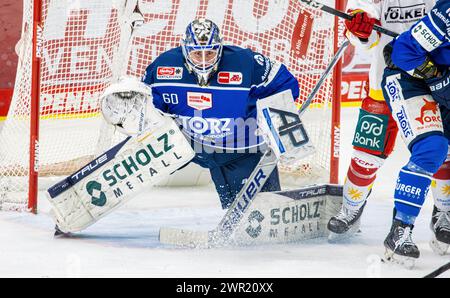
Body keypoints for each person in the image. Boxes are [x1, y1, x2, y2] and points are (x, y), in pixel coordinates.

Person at [137, 18, 300, 209]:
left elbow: (286, 85)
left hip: (243, 149)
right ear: (185, 50)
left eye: (211, 53)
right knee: (138, 155)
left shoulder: (245, 62)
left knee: (260, 214)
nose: (205, 61)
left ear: (220, 48)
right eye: (198, 54)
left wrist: (275, 124)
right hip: (190, 145)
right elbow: (148, 106)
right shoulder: (163, 68)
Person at [328, 0, 437, 239]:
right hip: (385, 81)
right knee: (366, 154)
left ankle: (443, 211)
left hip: (432, 80)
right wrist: (361, 27)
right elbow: (362, 24)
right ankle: (351, 206)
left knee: (439, 153)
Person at [381, 0, 450, 262]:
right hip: (410, 77)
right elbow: (404, 52)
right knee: (432, 147)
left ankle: (445, 216)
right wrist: (436, 77)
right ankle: (400, 229)